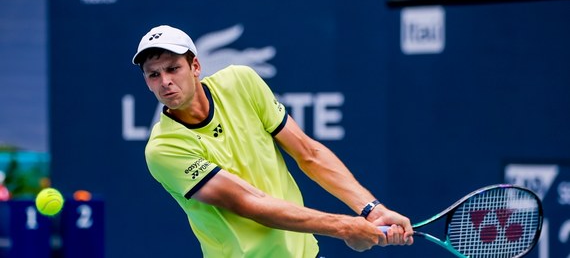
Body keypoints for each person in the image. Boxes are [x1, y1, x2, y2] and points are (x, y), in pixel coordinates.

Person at [132, 25, 414, 257]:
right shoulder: (164, 149)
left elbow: (309, 153)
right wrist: (344, 227)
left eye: (173, 69)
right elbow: (249, 202)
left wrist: (372, 209)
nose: (165, 81)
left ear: (195, 66)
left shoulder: (240, 82)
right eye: (154, 75)